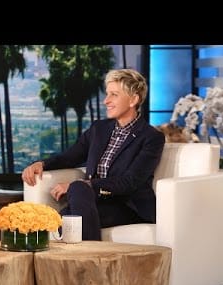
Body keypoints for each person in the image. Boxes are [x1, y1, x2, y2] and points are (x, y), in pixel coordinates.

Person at [22, 68, 165, 240]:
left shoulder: (151, 137)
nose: (106, 101)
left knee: (68, 211)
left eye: (114, 95)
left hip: (128, 206)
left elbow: (130, 181)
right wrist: (42, 164)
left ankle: (88, 259)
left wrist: (86, 185)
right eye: (107, 94)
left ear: (133, 99)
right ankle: (92, 259)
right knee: (67, 217)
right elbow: (70, 157)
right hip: (94, 202)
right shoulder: (99, 129)